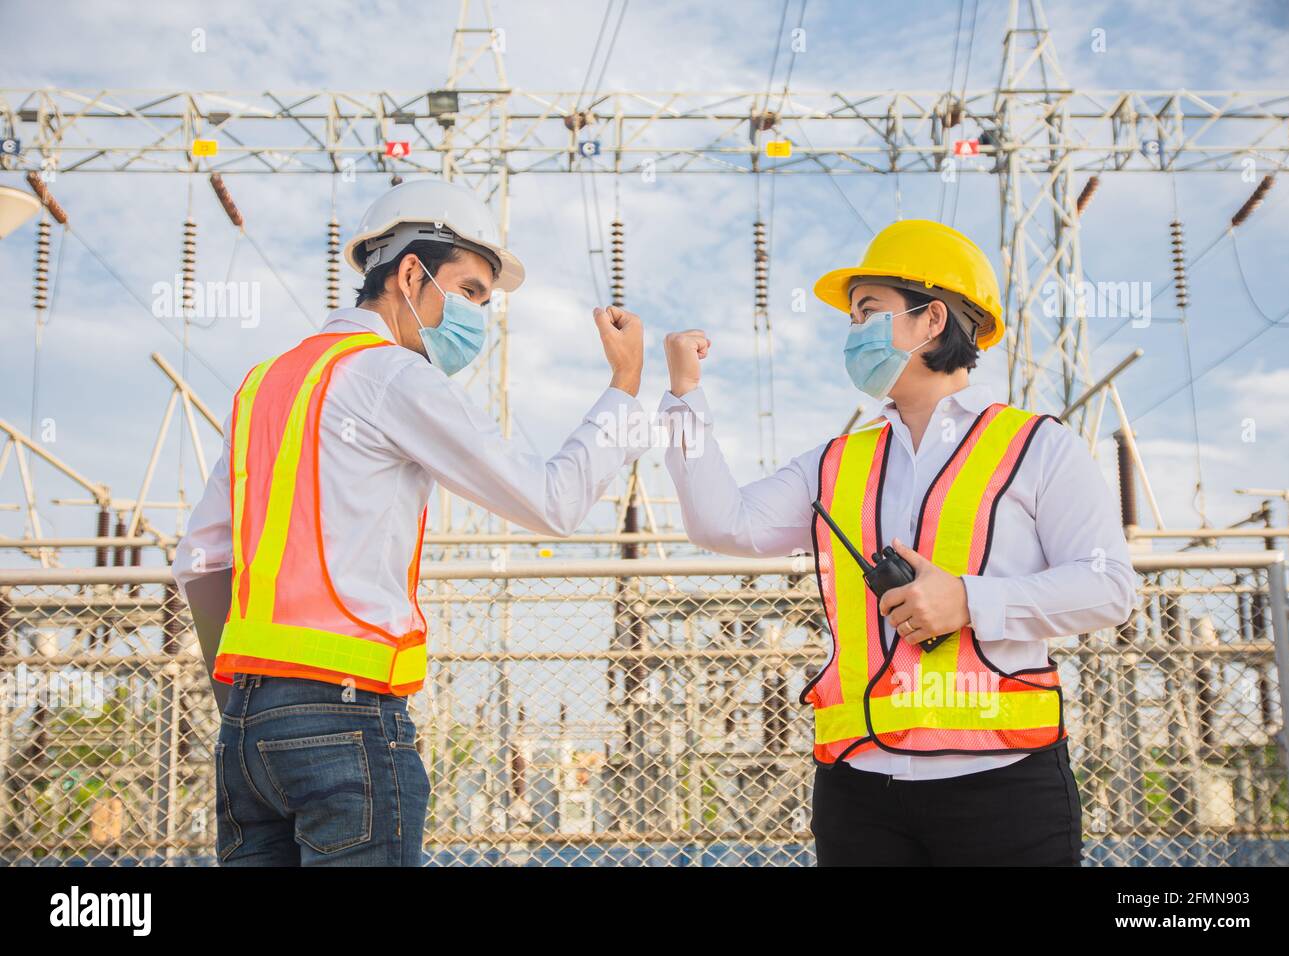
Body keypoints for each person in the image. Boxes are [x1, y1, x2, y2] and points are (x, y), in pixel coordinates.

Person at [172, 179, 647, 866]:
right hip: (347, 716)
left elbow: (200, 560)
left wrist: (251, 702)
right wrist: (623, 386)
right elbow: (553, 502)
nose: (481, 313)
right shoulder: (393, 376)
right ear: (410, 273)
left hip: (247, 728)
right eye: (473, 290)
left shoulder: (264, 383)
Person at [658, 219, 1137, 866]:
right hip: (859, 789)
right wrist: (685, 397)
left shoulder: (1038, 447)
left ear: (932, 319)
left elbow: (1108, 588)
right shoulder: (830, 465)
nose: (853, 333)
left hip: (1003, 786)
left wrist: (968, 600)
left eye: (868, 312)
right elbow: (723, 524)